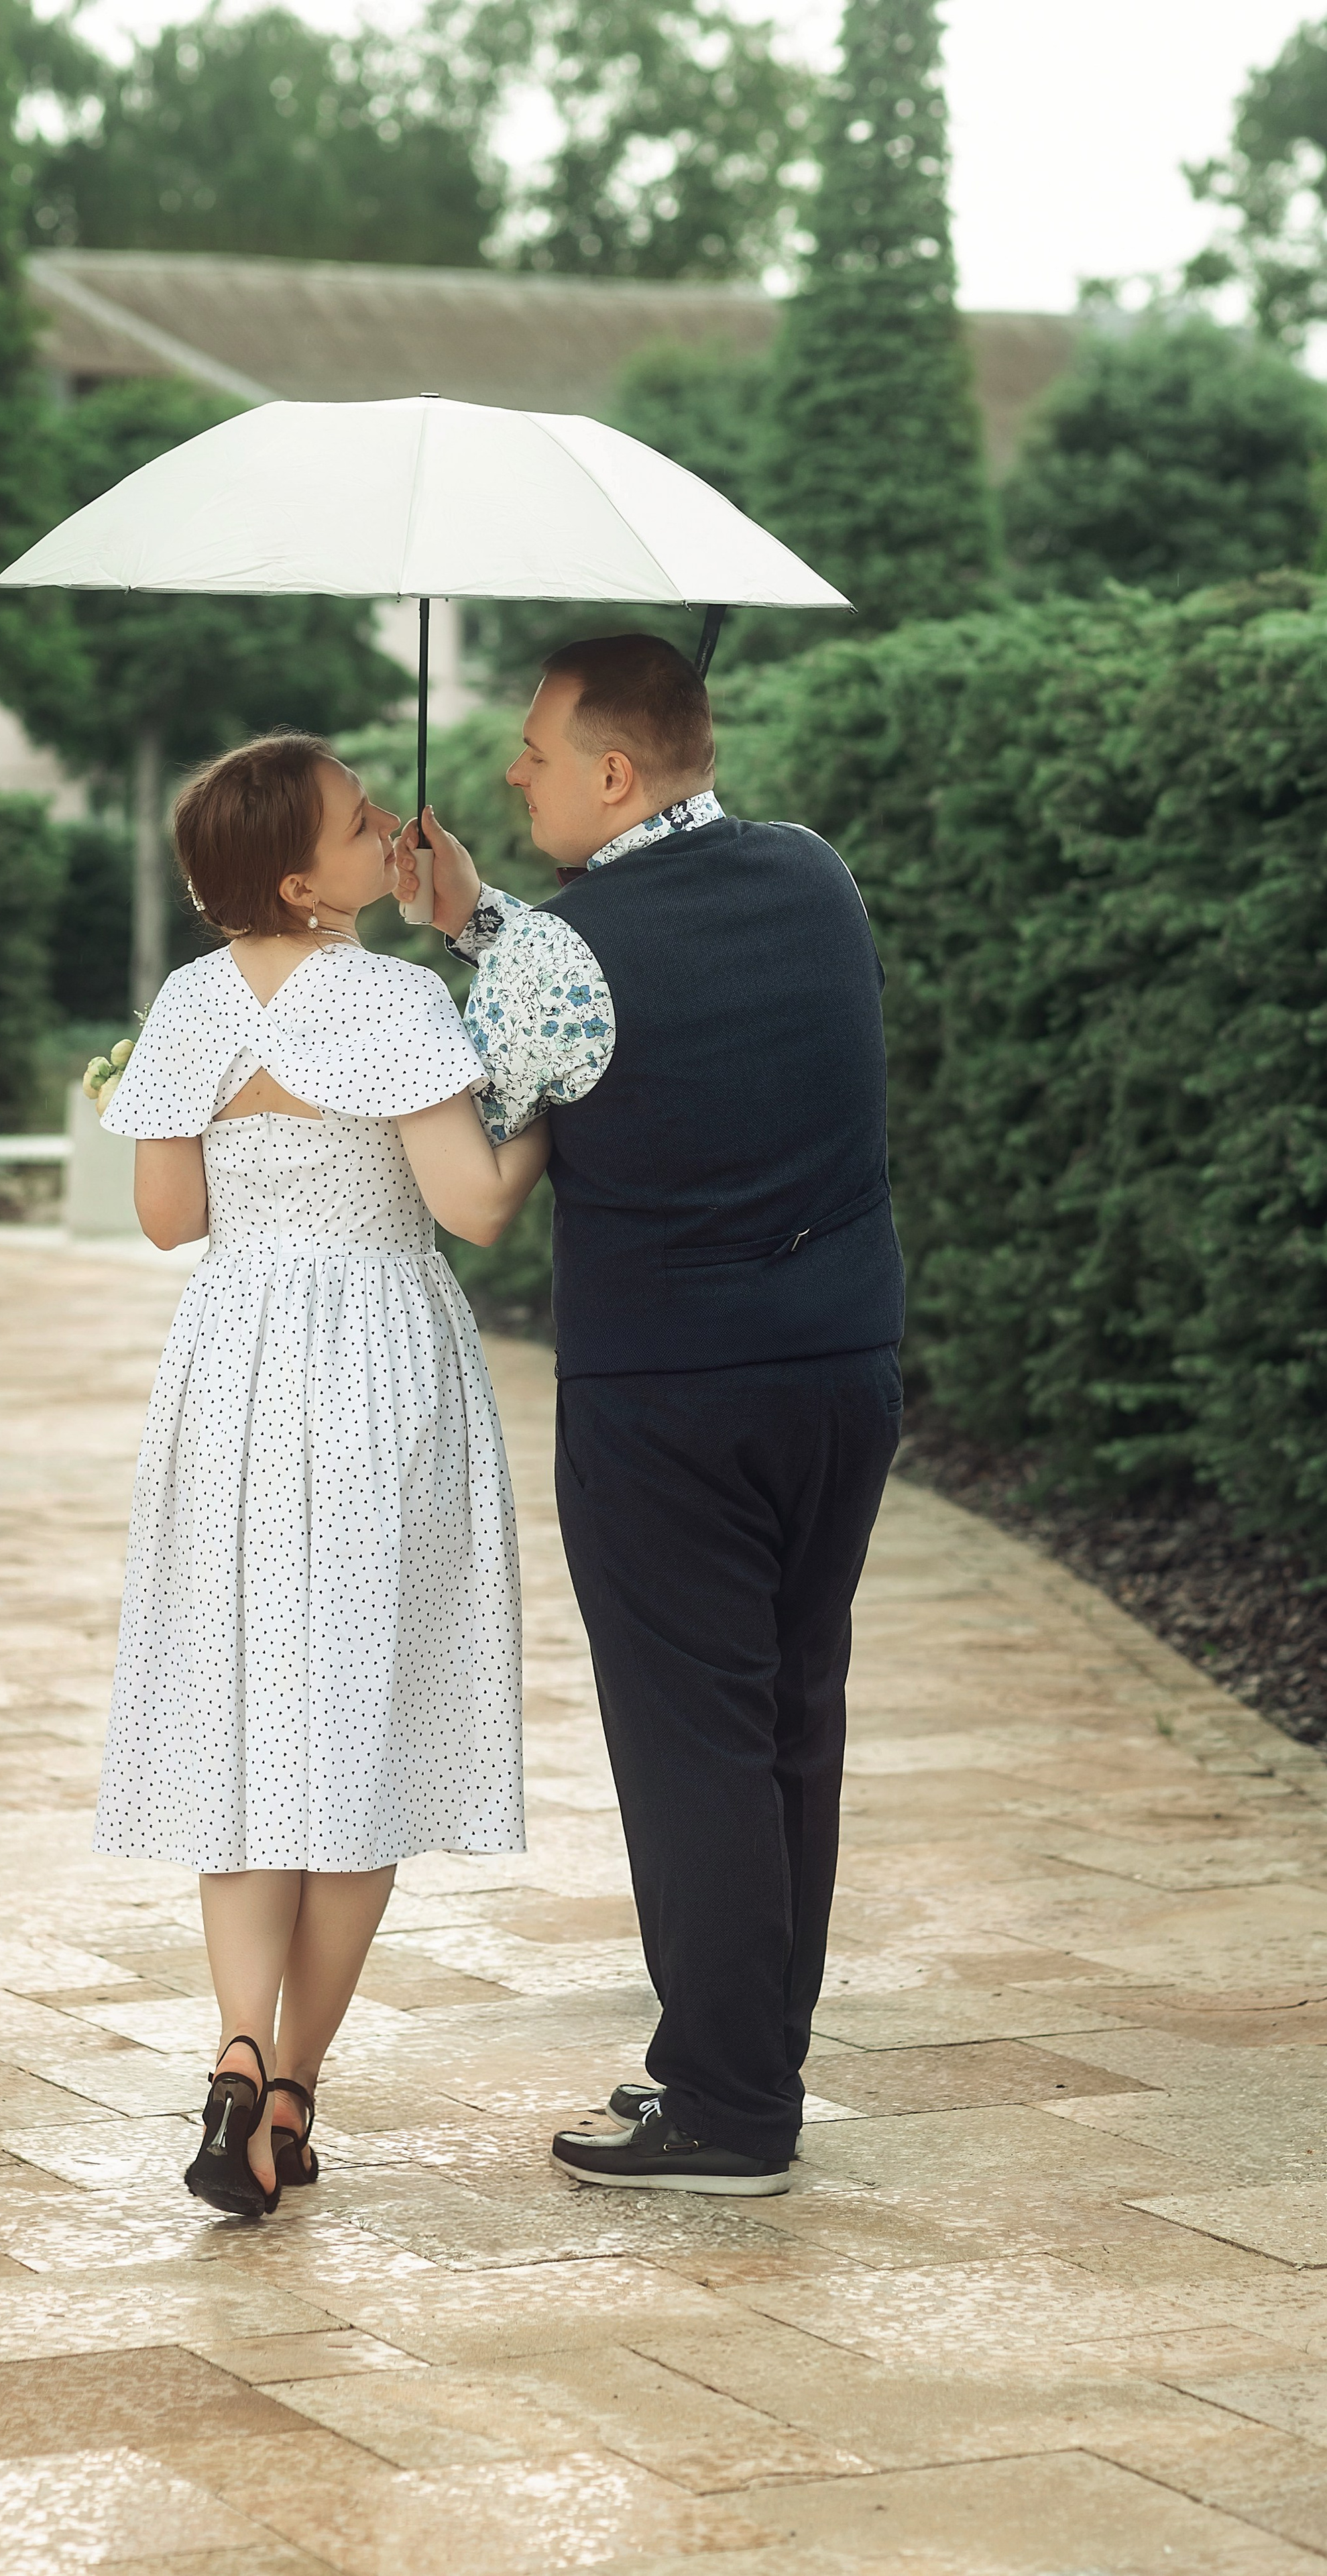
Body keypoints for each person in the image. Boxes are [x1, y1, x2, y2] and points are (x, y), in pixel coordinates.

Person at [397, 632, 904, 2196]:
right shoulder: (812, 874)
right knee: (788, 1720)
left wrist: (389, 1007)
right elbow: (623, 978)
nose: (511, 773)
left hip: (666, 1395)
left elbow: (483, 1169)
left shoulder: (558, 954)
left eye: (533, 751)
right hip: (839, 1371)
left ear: (609, 772)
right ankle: (749, 2063)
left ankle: (728, 2109)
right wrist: (479, 917)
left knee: (692, 1743)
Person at [95, 732, 551, 2218]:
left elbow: (168, 1215)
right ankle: (291, 2090)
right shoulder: (395, 998)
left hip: (231, 1373)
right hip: (372, 1374)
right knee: (358, 1729)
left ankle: (233, 2048)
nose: (390, 828)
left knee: (244, 1720)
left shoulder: (188, 1002)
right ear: (301, 882)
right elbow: (475, 1205)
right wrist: (543, 1098)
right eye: (361, 823)